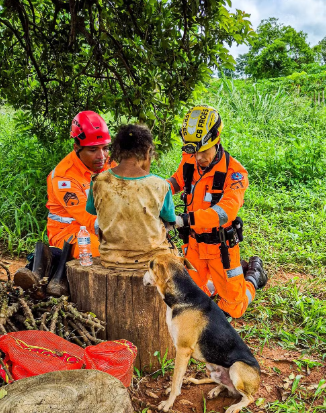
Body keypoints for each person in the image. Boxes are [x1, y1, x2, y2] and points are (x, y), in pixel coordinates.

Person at [167, 105, 267, 318]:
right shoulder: (190, 159)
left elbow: (225, 213)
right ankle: (218, 281)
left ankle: (253, 278)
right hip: (193, 246)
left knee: (233, 308)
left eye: (204, 151)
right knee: (189, 298)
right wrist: (157, 188)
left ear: (217, 139)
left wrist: (181, 220)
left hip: (221, 249)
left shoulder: (235, 173)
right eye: (195, 152)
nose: (199, 157)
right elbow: (177, 181)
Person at [14, 111, 114, 297]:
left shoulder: (108, 162)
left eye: (105, 148)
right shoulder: (63, 176)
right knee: (104, 251)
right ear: (77, 147)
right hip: (68, 234)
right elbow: (88, 218)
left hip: (100, 228)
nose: (102, 155)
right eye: (93, 150)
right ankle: (52, 264)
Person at [86, 124, 176, 269]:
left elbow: (92, 211)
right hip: (152, 262)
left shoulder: (98, 181)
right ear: (148, 151)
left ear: (118, 150)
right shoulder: (159, 185)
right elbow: (170, 220)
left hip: (110, 259)